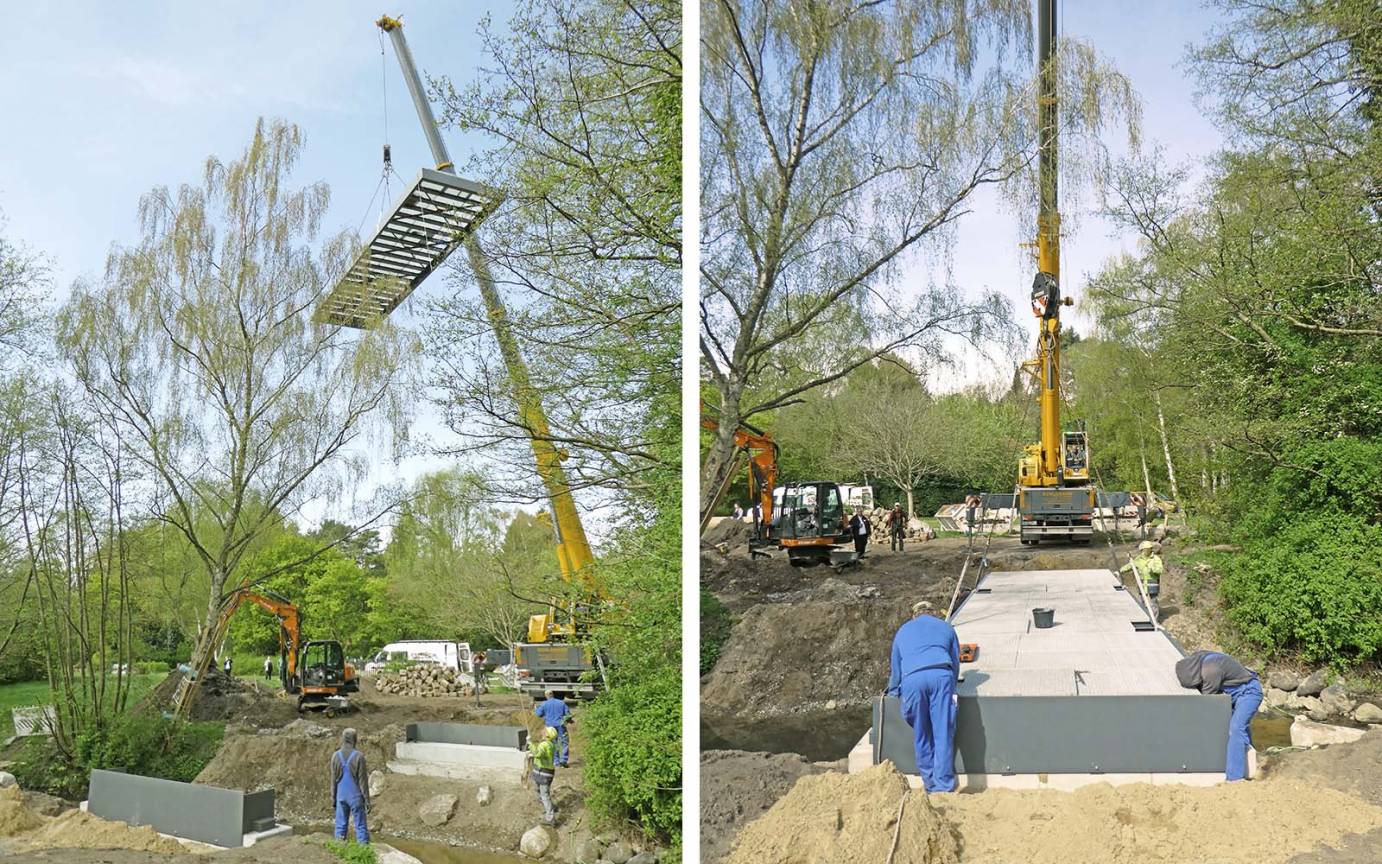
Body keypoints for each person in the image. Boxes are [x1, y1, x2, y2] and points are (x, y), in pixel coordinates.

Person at [886, 600, 960, 793]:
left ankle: (929, 783)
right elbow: (955, 661)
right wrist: (952, 689)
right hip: (940, 676)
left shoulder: (902, 631)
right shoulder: (946, 627)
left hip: (912, 680)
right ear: (933, 613)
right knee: (942, 732)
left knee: (921, 732)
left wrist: (893, 692)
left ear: (914, 615)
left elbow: (896, 668)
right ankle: (943, 786)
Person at [1175, 650, 1262, 781]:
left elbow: (1207, 705)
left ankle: (1235, 778)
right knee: (1240, 728)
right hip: (1231, 693)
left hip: (1249, 692)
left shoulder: (1210, 671)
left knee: (1236, 728)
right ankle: (1251, 762)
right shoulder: (1198, 659)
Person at [329, 728, 371, 843]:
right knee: (360, 826)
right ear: (354, 739)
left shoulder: (335, 756)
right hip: (356, 797)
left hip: (340, 796)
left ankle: (339, 853)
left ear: (343, 739)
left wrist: (333, 799)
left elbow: (333, 781)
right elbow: (363, 781)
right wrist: (367, 800)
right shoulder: (359, 756)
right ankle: (363, 855)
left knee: (340, 827)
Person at [1120, 540, 1164, 620]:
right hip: (1142, 585)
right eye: (1145, 549)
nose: (1147, 551)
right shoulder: (1138, 559)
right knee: (1142, 603)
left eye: (1148, 549)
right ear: (1142, 550)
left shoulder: (1156, 559)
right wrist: (1120, 571)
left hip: (1152, 584)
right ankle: (1144, 618)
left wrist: (1152, 569)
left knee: (1153, 603)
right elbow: (1130, 566)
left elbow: (1160, 570)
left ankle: (1154, 620)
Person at [534, 689, 573, 767]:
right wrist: (569, 721)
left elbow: (538, 714)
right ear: (553, 694)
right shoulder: (561, 703)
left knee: (553, 743)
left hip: (550, 727)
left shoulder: (544, 704)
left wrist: (536, 709)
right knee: (564, 742)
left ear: (546, 696)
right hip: (561, 725)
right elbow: (568, 715)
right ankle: (564, 760)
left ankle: (556, 762)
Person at [529, 726, 558, 824]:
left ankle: (550, 818)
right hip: (547, 773)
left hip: (542, 773)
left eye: (545, 730)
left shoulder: (544, 745)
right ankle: (549, 808)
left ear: (547, 735)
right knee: (541, 792)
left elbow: (537, 754)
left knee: (544, 795)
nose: (542, 730)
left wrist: (530, 744)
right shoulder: (551, 744)